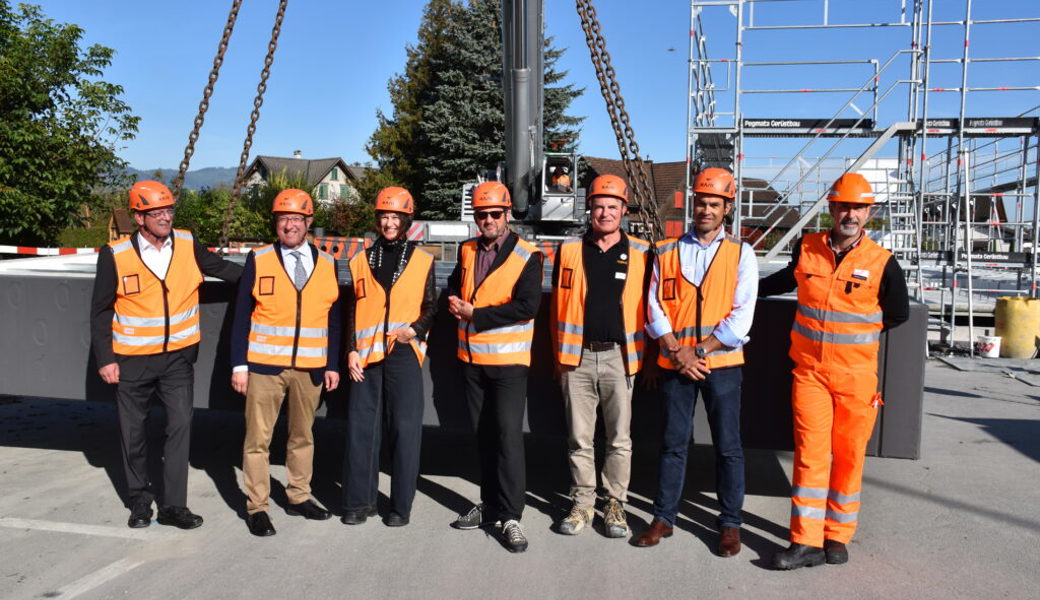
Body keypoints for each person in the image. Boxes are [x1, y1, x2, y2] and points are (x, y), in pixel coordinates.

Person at [761, 172, 908, 569]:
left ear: (868, 213)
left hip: (856, 381)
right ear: (831, 208)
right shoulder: (807, 247)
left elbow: (898, 314)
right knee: (810, 456)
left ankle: (837, 536)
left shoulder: (882, 263)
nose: (850, 214)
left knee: (848, 457)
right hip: (809, 373)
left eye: (858, 207)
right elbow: (780, 280)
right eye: (843, 205)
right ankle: (804, 541)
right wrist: (743, 290)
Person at [90, 180, 241, 529]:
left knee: (181, 427)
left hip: (177, 360)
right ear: (139, 217)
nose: (165, 217)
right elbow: (100, 311)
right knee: (133, 432)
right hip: (131, 361)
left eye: (169, 210)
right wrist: (106, 358)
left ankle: (174, 506)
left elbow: (224, 270)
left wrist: (266, 276)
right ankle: (140, 501)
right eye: (155, 212)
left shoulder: (187, 243)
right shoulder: (115, 254)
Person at [633, 167, 758, 557]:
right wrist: (675, 350)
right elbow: (652, 303)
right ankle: (663, 518)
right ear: (693, 204)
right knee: (672, 444)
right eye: (701, 202)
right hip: (676, 365)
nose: (706, 209)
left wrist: (698, 351)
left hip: (721, 365)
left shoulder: (742, 253)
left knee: (728, 447)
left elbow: (742, 316)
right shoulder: (666, 250)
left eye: (714, 204)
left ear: (727, 208)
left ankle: (729, 524)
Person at [229, 189, 341, 537]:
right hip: (264, 367)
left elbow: (333, 318)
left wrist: (332, 363)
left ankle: (298, 496)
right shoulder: (258, 259)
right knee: (257, 440)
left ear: (309, 223)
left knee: (302, 437)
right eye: (283, 219)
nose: (289, 225)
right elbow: (242, 317)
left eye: (296, 219)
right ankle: (258, 507)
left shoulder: (328, 263)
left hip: (310, 369)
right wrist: (239, 366)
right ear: (275, 223)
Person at [550, 174, 651, 538]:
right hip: (576, 359)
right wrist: (559, 357)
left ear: (624, 211)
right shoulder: (570, 251)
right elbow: (557, 310)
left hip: (619, 359)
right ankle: (581, 504)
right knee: (579, 438)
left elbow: (652, 308)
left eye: (612, 207)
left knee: (619, 439)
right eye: (598, 206)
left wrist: (648, 360)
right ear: (589, 209)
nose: (605, 213)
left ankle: (614, 505)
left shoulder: (642, 252)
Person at [447, 181, 543, 553]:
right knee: (483, 437)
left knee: (507, 438)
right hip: (471, 360)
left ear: (507, 215)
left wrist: (477, 314)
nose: (487, 220)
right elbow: (458, 285)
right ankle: (489, 505)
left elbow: (527, 306)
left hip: (508, 364)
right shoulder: (467, 249)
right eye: (481, 215)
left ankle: (512, 515)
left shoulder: (527, 255)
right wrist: (456, 300)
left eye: (494, 214)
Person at [341, 187, 436, 528]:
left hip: (404, 355)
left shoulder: (423, 260)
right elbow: (352, 309)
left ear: (407, 220)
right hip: (365, 358)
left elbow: (431, 307)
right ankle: (358, 502)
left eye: (396, 217)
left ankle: (400, 506)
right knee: (361, 430)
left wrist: (415, 330)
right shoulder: (360, 261)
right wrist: (350, 348)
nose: (389, 222)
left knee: (405, 430)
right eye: (384, 216)